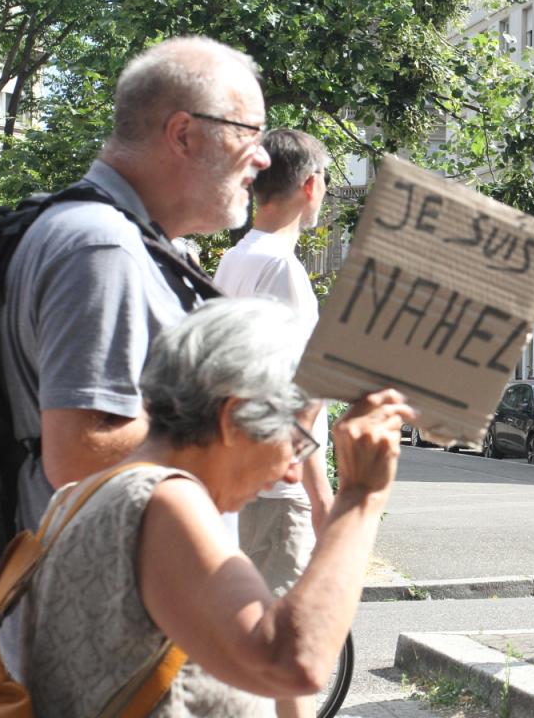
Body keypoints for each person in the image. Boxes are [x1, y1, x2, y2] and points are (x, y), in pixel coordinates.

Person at [21, 297, 416, 717]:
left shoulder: (86, 495)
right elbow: (293, 662)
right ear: (235, 416)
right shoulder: (164, 502)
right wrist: (359, 499)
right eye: (296, 441)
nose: (292, 474)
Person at [0, 36, 271, 534]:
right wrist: (240, 425)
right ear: (184, 134)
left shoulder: (116, 239)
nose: (263, 159)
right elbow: (79, 454)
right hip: (106, 604)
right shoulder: (103, 247)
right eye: (250, 133)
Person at [213, 128, 335, 718]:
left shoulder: (233, 259)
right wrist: (320, 491)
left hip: (237, 480)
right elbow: (298, 398)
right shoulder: (283, 271)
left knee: (248, 654)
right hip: (276, 486)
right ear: (311, 186)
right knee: (291, 657)